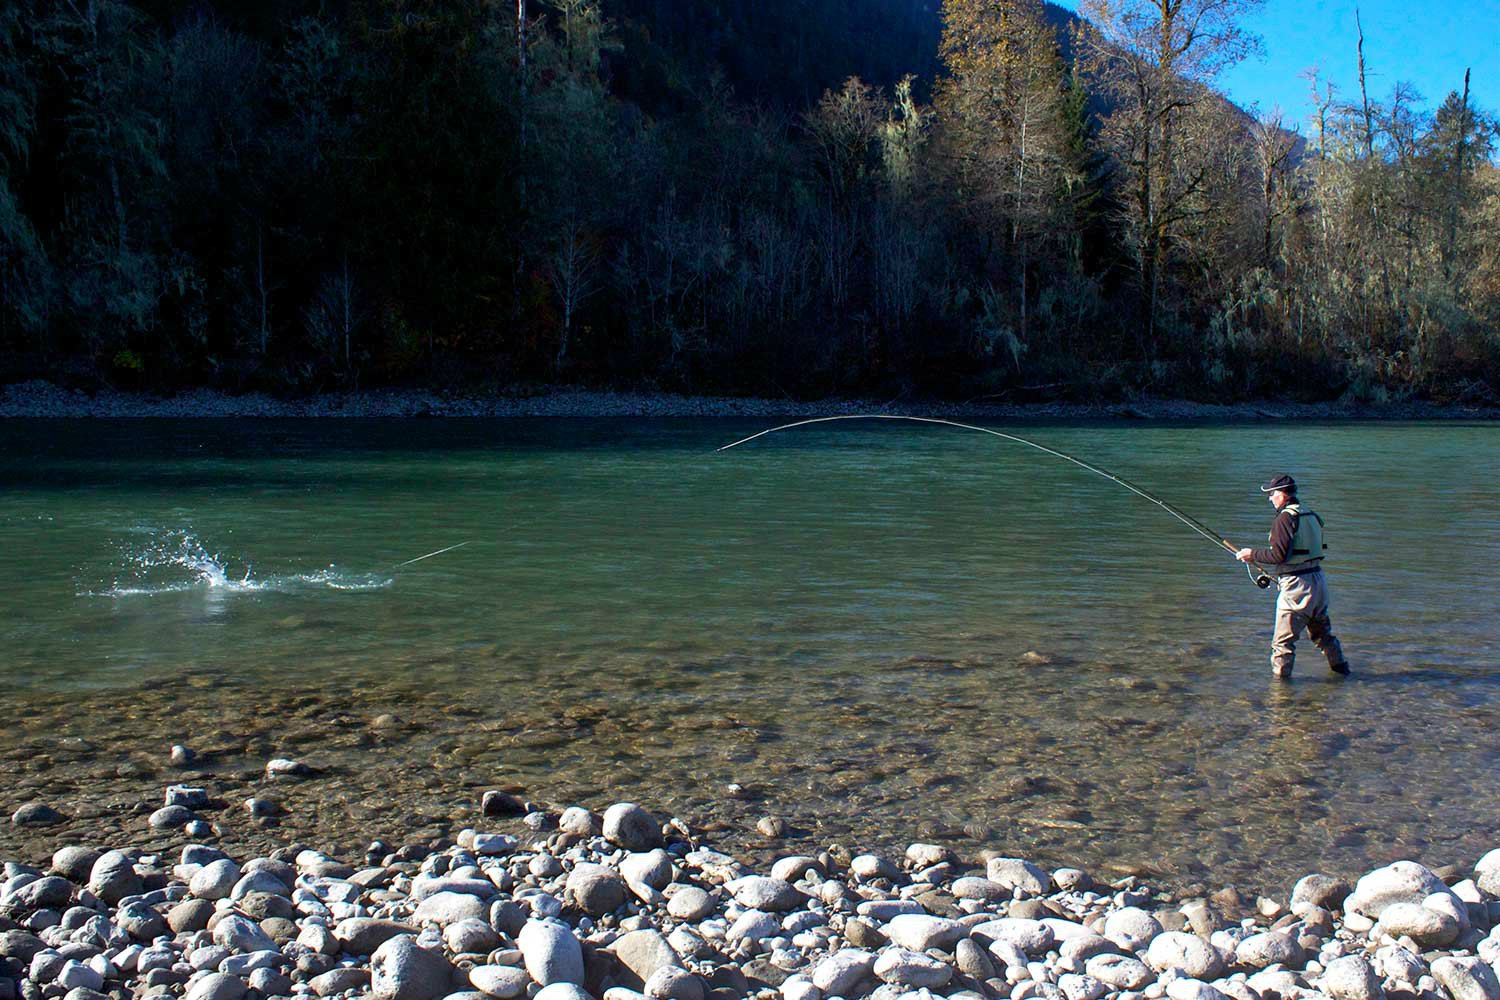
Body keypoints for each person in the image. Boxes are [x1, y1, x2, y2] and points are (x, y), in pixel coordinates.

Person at [1235, 474, 1350, 680]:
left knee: (1282, 644)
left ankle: (1280, 696)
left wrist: (1251, 554)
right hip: (1319, 583)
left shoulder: (1284, 519)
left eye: (1272, 494)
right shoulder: (1311, 515)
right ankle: (1343, 673)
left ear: (1282, 494)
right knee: (1323, 636)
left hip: (1297, 589)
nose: (1270, 499)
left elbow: (1278, 555)